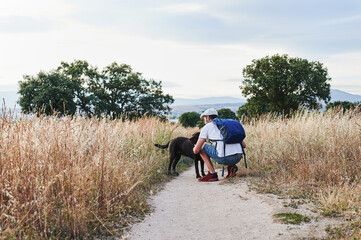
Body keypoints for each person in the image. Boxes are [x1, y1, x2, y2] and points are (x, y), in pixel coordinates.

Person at [193, 108, 246, 182]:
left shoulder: (207, 127)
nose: (204, 120)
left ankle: (212, 174)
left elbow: (196, 151)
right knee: (226, 145)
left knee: (201, 147)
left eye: (204, 118)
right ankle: (231, 167)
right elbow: (244, 145)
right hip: (238, 157)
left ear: (208, 117)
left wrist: (194, 147)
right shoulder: (226, 125)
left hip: (224, 159)